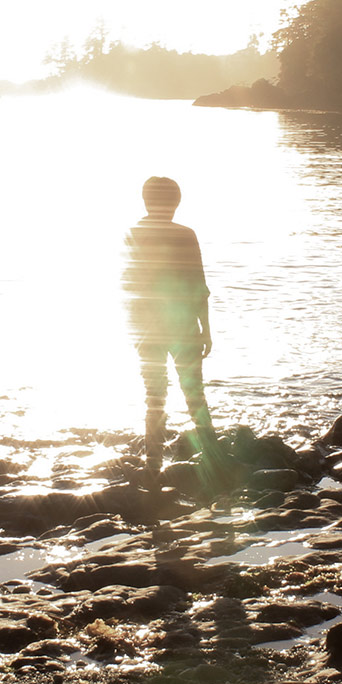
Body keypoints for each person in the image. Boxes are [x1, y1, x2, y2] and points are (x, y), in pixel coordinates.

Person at [122, 176, 222, 489]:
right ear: (176, 203)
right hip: (181, 325)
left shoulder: (133, 234)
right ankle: (213, 456)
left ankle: (152, 465)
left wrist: (134, 325)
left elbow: (128, 282)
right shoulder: (186, 234)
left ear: (145, 201)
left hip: (147, 328)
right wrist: (205, 328)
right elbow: (198, 284)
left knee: (155, 396)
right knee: (194, 393)